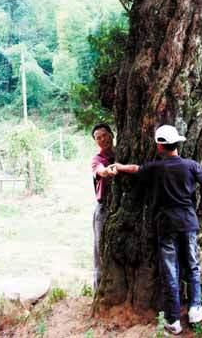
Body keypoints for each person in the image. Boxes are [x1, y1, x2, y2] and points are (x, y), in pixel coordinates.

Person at [111, 124, 202, 335]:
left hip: (165, 224)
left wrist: (120, 166)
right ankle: (195, 309)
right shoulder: (189, 166)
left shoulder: (154, 168)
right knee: (192, 265)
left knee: (170, 271)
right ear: (178, 143)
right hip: (188, 222)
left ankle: (172, 320)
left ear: (159, 147)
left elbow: (135, 169)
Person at [91, 122, 117, 293]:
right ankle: (98, 290)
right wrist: (108, 171)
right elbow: (100, 170)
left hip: (122, 208)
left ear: (111, 135)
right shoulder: (97, 160)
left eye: (104, 135)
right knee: (100, 250)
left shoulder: (122, 152)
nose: (102, 139)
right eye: (98, 138)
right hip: (104, 209)